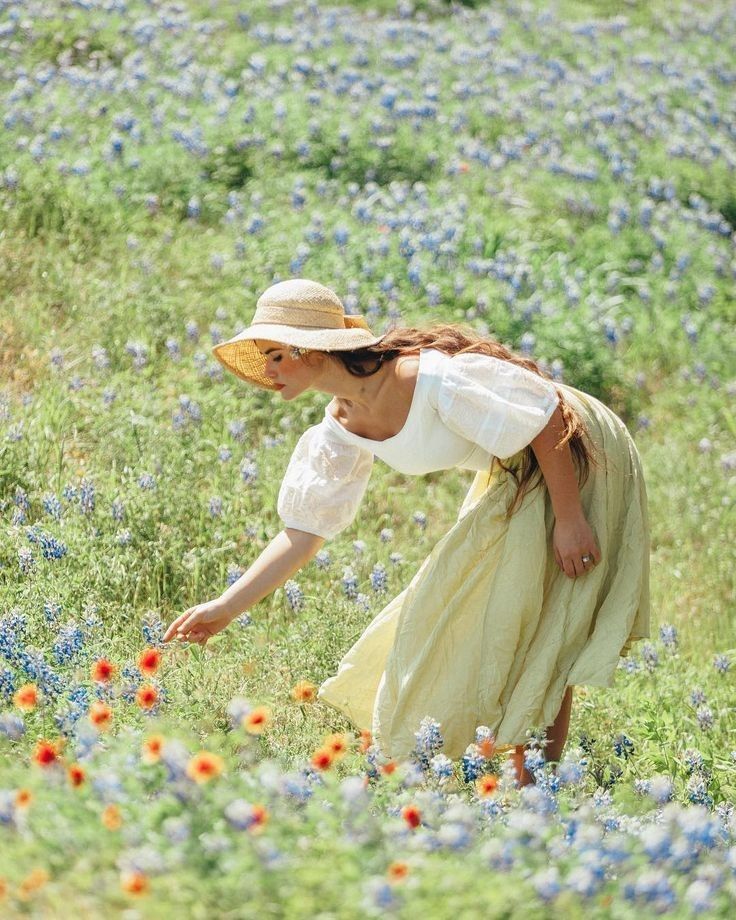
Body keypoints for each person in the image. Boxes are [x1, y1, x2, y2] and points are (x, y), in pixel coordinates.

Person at [163, 278, 650, 785]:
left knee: (538, 613)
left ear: (307, 351)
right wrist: (225, 608)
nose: (267, 371)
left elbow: (547, 418)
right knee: (492, 606)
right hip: (516, 469)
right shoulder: (341, 426)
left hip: (575, 448)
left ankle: (535, 787)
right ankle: (522, 784)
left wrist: (571, 521)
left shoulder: (427, 379)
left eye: (275, 356)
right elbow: (303, 534)